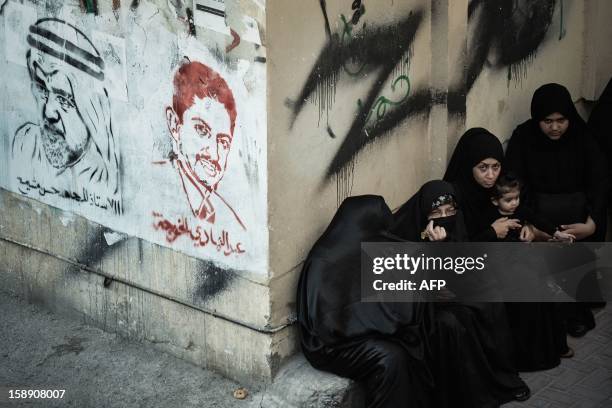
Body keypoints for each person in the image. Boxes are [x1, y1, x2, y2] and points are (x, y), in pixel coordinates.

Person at [391, 180, 531, 407]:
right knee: (454, 322)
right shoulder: (409, 231)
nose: (445, 217)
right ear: (425, 212)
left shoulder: (457, 224)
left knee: (489, 302)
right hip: (421, 305)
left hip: (449, 292)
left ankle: (500, 377)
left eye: (450, 210)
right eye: (436, 212)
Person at [297, 195, 433, 408]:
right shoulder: (324, 261)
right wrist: (379, 325)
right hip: (328, 345)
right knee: (391, 358)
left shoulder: (360, 248)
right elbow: (328, 324)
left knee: (412, 341)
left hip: (354, 333)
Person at [505, 83, 608, 337]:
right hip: (537, 218)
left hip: (578, 220)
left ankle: (575, 310)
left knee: (573, 254)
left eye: (561, 120)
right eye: (547, 121)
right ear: (536, 118)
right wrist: (531, 224)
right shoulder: (523, 138)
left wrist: (592, 222)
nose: (554, 127)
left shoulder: (582, 138)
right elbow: (515, 184)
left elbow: (599, 182)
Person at [12, 18, 121, 213]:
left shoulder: (103, 183)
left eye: (64, 99)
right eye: (42, 90)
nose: (48, 112)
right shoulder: (25, 144)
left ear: (90, 110)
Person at [163, 61, 245, 231]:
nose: (214, 154)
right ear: (174, 126)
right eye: (202, 131)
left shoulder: (229, 219)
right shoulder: (158, 188)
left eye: (223, 142)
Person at [489, 173, 575, 242]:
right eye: (509, 200)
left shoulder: (522, 210)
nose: (515, 203)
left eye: (517, 198)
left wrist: (557, 233)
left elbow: (539, 221)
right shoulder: (490, 215)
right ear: (495, 201)